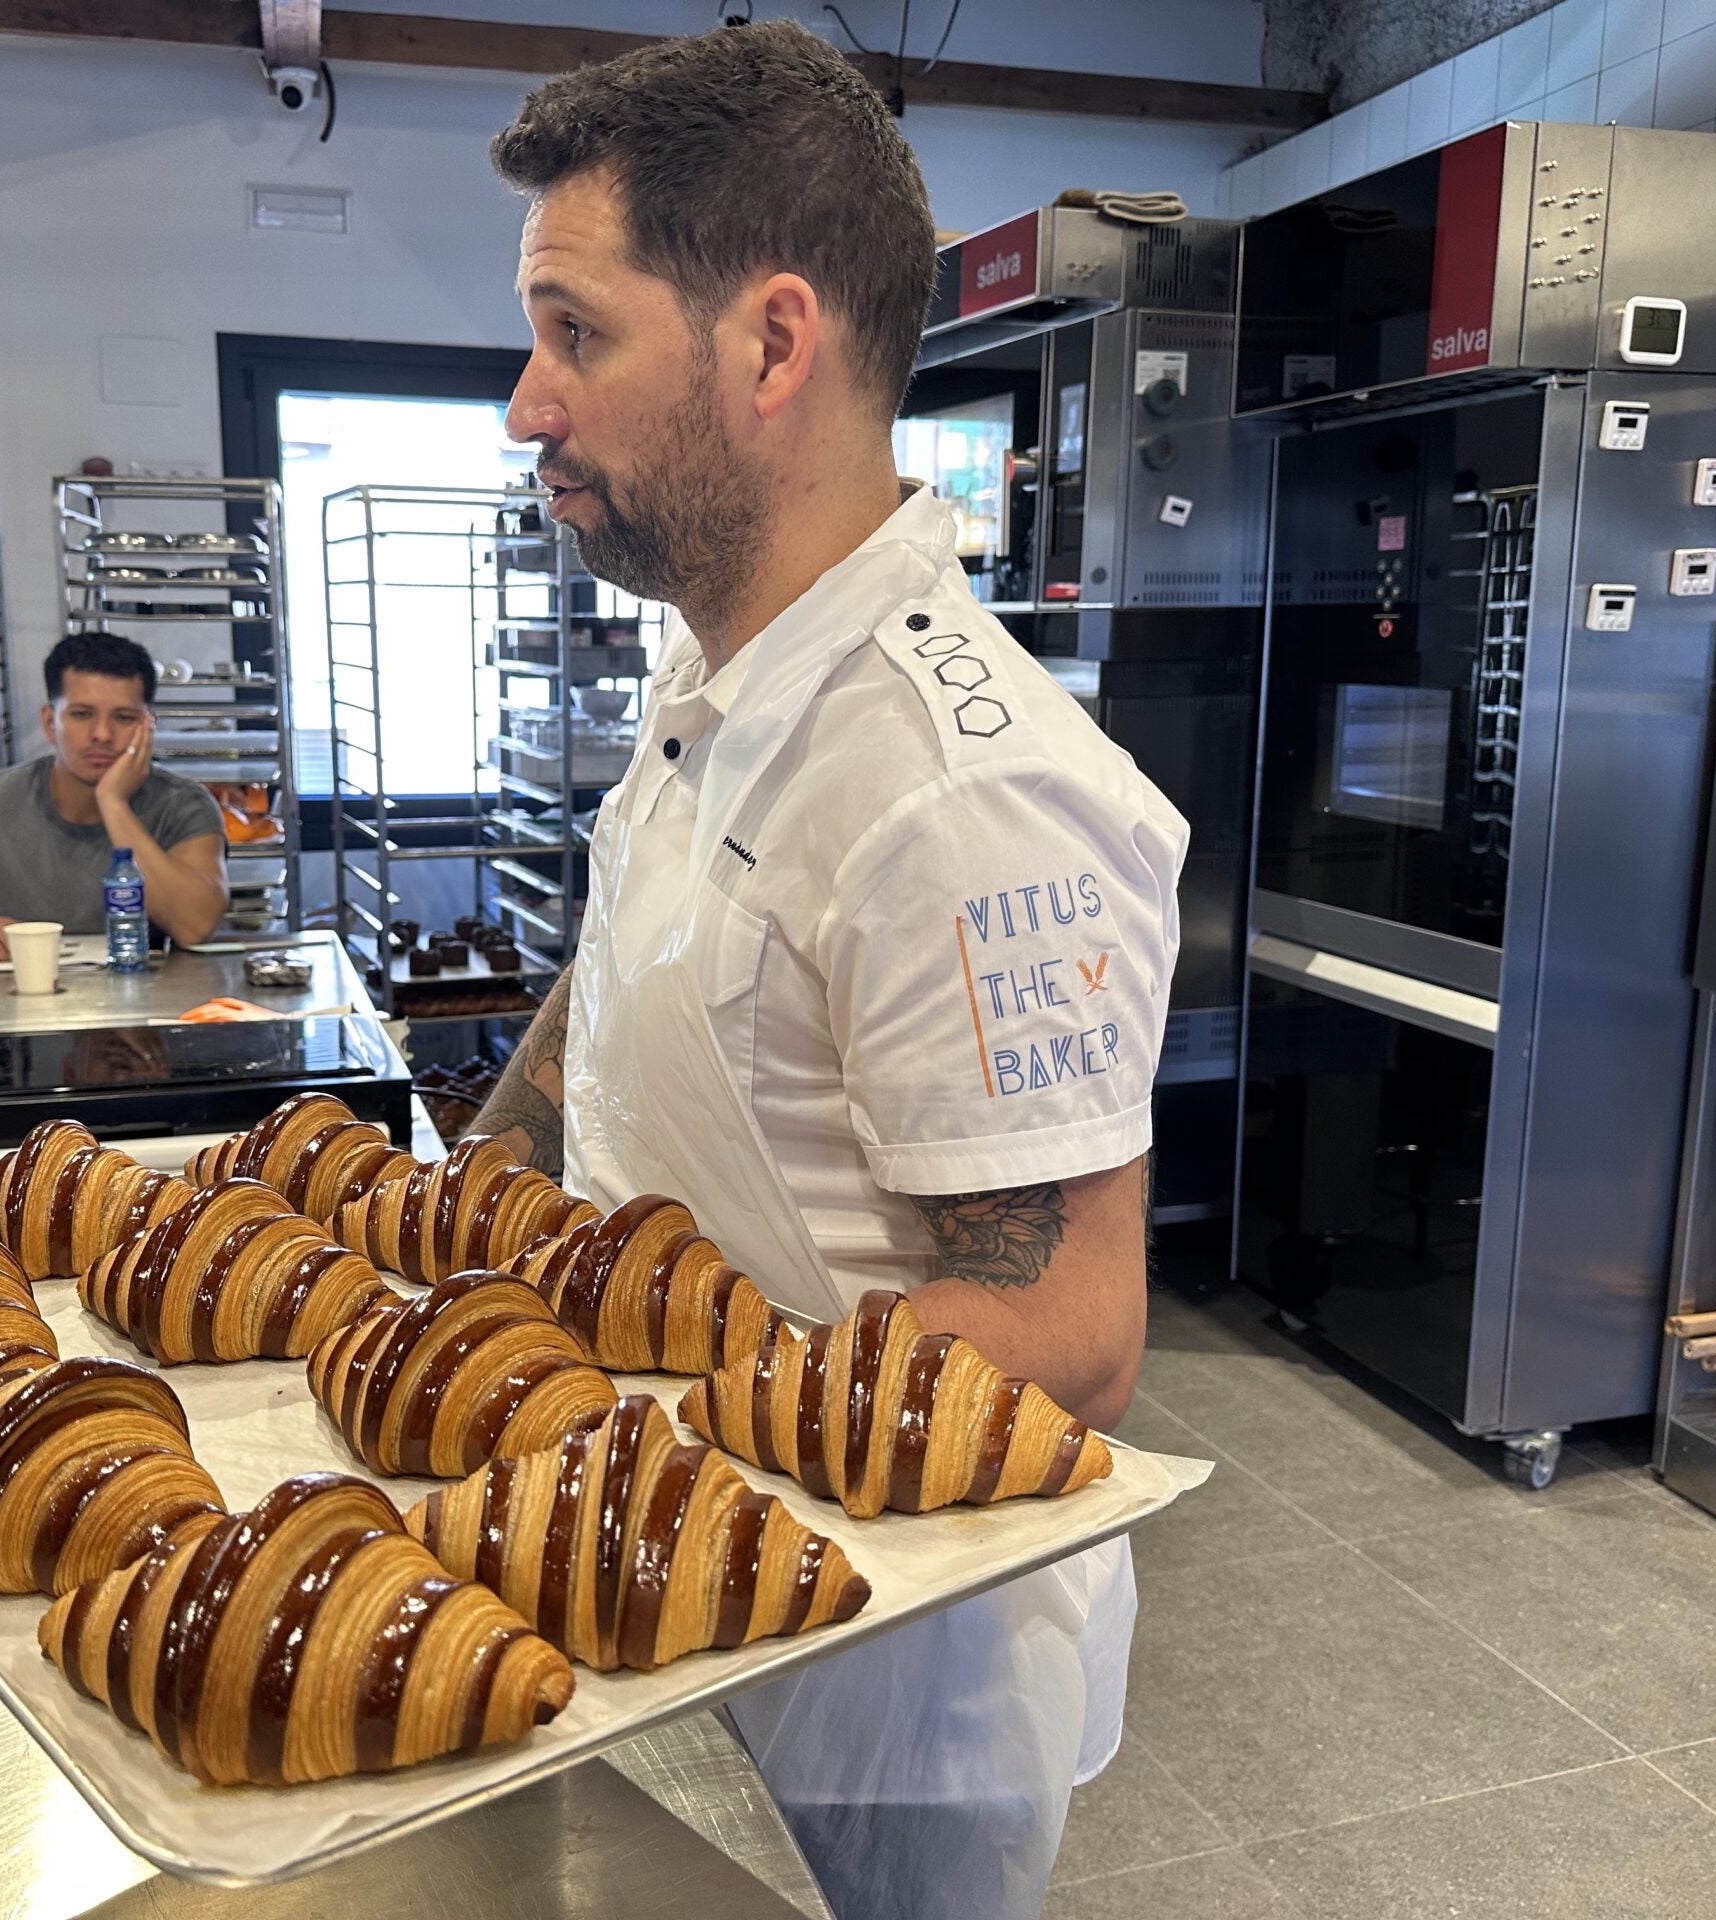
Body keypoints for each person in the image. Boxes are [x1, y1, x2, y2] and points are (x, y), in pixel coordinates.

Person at [466, 24, 1186, 1920]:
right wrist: (450, 1236)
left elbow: (1070, 1334)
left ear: (772, 345)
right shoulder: (725, 674)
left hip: (867, 1710)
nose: (528, 404)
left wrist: (599, 1442)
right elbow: (618, 993)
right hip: (658, 1593)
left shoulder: (964, 798)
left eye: (575, 331)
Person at [0, 631, 228, 959]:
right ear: (51, 723)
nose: (102, 734)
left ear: (148, 727)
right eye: (81, 714)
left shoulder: (183, 805)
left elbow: (194, 926)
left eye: (124, 718)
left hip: (147, 1013)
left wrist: (113, 804)